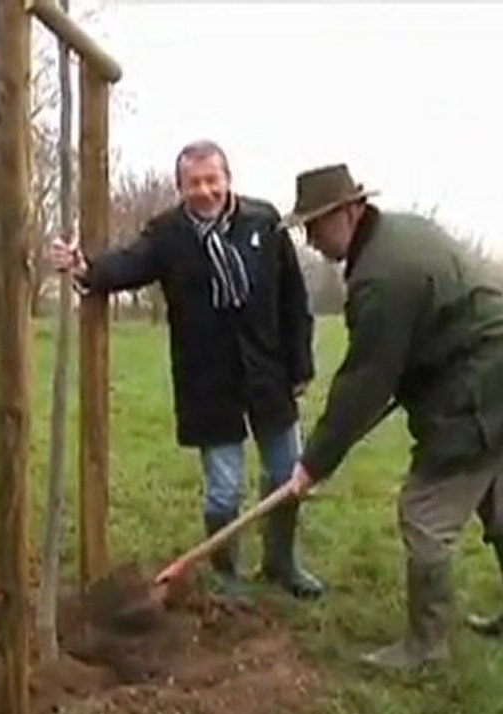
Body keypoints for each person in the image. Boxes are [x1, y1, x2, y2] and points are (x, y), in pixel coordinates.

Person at [50, 139, 324, 601]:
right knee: (224, 490)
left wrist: (301, 364)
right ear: (181, 188)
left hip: (268, 373)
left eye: (211, 180)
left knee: (285, 476)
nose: (203, 191)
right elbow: (129, 264)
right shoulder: (168, 234)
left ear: (228, 179)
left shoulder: (264, 222)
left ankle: (282, 563)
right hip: (207, 381)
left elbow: (294, 299)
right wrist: (84, 266)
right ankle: (227, 575)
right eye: (193, 183)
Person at [283, 163, 503, 670]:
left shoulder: (381, 276)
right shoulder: (401, 232)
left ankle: (426, 646)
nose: (311, 239)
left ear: (349, 210)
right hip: (485, 374)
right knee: (497, 502)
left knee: (424, 514)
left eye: (315, 225)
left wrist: (313, 464)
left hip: (478, 392)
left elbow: (365, 380)